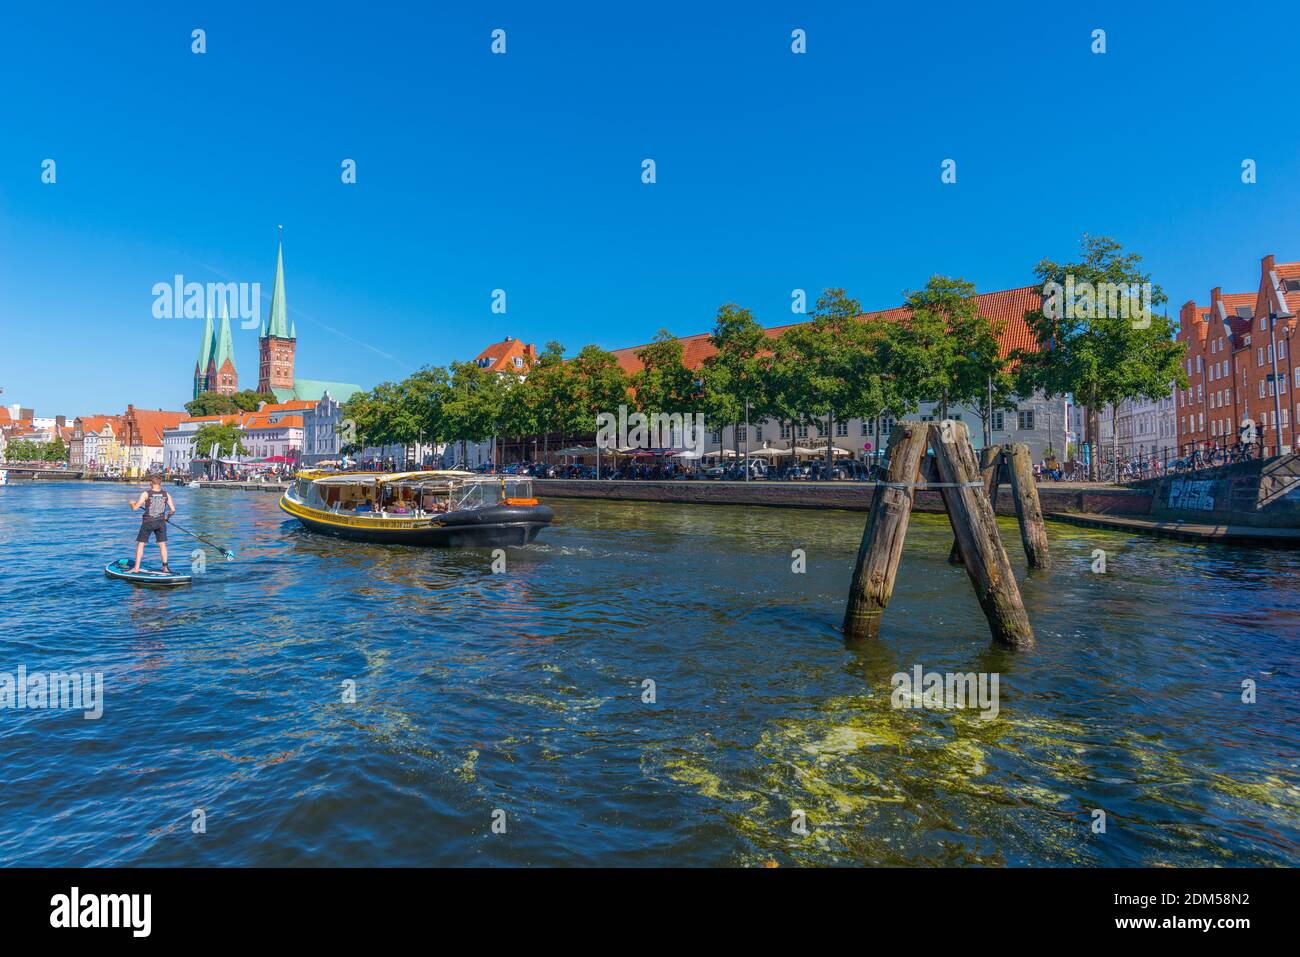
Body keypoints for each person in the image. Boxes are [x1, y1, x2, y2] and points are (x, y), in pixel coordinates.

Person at [128, 476, 176, 573]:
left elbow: (135, 508)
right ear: (160, 483)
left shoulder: (146, 494)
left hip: (148, 522)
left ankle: (136, 568)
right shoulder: (166, 494)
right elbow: (173, 510)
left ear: (151, 483)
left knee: (141, 544)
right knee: (162, 545)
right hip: (161, 522)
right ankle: (165, 568)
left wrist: (132, 503)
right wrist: (167, 517)